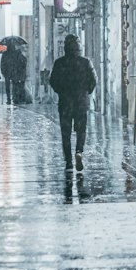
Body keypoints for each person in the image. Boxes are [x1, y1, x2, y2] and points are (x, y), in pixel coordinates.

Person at [49, 34, 97, 169]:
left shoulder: (59, 63)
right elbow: (93, 81)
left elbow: (53, 81)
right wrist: (86, 92)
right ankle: (79, 152)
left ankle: (69, 161)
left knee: (66, 132)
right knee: (81, 130)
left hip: (65, 103)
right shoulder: (85, 62)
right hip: (81, 102)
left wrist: (61, 91)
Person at [0, 38, 28, 105]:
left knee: (9, 86)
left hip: (9, 72)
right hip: (13, 72)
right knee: (15, 85)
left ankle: (9, 98)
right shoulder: (15, 53)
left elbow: (2, 64)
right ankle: (15, 98)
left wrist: (3, 72)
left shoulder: (5, 53)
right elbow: (20, 62)